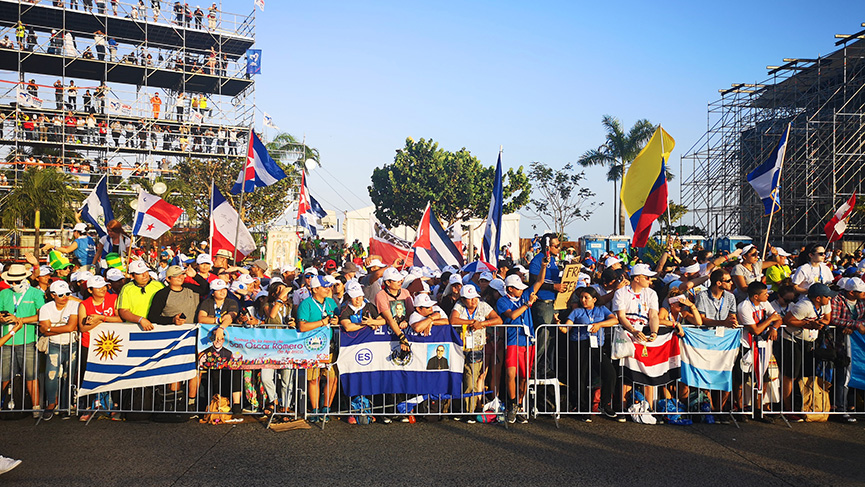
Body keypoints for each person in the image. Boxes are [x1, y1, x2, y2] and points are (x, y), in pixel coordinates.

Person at [612, 263, 662, 418]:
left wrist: (654, 332)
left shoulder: (652, 293)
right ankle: (622, 408)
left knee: (648, 371)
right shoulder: (621, 293)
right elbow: (621, 316)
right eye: (647, 277)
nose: (649, 280)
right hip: (626, 333)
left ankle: (649, 409)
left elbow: (654, 316)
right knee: (626, 372)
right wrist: (632, 330)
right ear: (637, 278)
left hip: (644, 333)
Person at [561, 286, 619, 421]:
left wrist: (600, 325)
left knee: (609, 373)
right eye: (581, 297)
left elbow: (614, 320)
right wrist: (562, 327)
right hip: (579, 344)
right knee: (581, 377)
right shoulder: (577, 312)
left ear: (594, 299)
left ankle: (604, 404)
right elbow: (568, 326)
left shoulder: (601, 309)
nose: (583, 300)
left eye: (586, 298)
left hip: (596, 345)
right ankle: (582, 408)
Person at [778, 282, 833, 422]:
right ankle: (788, 409)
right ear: (818, 298)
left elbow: (827, 319)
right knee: (790, 375)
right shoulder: (804, 306)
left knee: (806, 375)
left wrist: (819, 323)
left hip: (809, 342)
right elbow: (788, 320)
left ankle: (803, 405)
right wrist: (807, 324)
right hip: (792, 341)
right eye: (827, 296)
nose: (830, 299)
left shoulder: (825, 304)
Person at [497, 271, 545, 424]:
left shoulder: (525, 296)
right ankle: (512, 405)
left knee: (524, 376)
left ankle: (519, 405)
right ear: (510, 288)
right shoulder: (502, 301)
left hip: (528, 341)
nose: (521, 290)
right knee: (511, 373)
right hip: (513, 340)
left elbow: (539, 281)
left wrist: (543, 266)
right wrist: (527, 304)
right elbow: (512, 315)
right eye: (518, 288)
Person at [449, 285, 501, 420]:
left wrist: (483, 324)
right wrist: (472, 322)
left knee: (471, 378)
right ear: (463, 299)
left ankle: (469, 411)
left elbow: (498, 320)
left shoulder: (483, 305)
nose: (473, 301)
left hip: (477, 346)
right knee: (461, 378)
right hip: (460, 346)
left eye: (475, 298)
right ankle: (462, 408)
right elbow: (453, 320)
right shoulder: (459, 305)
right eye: (469, 299)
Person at [0, 264, 45, 417]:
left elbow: (41, 317)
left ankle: (36, 407)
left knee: (31, 376)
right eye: (11, 281)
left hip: (28, 341)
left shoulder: (36, 293)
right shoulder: (4, 293)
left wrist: (19, 320)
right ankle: (4, 405)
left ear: (24, 279)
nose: (13, 284)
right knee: (5, 376)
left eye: (17, 281)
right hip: (6, 342)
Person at [77, 275, 122, 421]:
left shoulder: (113, 298)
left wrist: (99, 318)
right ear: (90, 290)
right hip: (89, 344)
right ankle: (88, 407)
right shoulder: (84, 304)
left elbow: (120, 318)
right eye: (99, 287)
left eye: (104, 286)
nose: (103, 289)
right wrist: (98, 320)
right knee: (88, 375)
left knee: (113, 374)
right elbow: (83, 328)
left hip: (110, 344)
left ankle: (115, 406)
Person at [736, 281, 783, 422]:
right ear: (756, 296)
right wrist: (770, 320)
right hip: (746, 345)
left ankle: (758, 409)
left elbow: (778, 318)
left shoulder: (764, 303)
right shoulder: (744, 307)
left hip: (764, 346)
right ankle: (739, 409)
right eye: (764, 294)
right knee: (741, 379)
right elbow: (755, 329)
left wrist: (774, 328)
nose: (767, 295)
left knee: (763, 378)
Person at [297, 276, 339, 422]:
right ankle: (314, 409)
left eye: (328, 286)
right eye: (325, 287)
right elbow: (302, 326)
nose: (328, 289)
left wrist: (335, 320)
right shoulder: (306, 304)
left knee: (332, 378)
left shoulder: (331, 302)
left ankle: (326, 409)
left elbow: (337, 318)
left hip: (330, 346)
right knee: (313, 379)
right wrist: (323, 322)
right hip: (312, 347)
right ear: (315, 289)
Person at [37, 281, 79, 420]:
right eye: (61, 294)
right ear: (53, 295)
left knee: (68, 374)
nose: (65, 297)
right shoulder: (46, 308)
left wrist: (49, 328)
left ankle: (65, 405)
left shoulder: (75, 305)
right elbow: (46, 330)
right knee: (51, 374)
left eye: (68, 293)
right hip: (54, 345)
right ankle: (51, 404)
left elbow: (70, 327)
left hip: (71, 343)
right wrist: (62, 327)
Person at [828, 277, 865, 423]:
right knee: (842, 377)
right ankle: (839, 409)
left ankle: (850, 407)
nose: (864, 294)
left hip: (855, 346)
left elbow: (862, 320)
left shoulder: (861, 302)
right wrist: (854, 324)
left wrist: (853, 325)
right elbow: (834, 319)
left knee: (852, 375)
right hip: (838, 344)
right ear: (851, 292)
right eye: (861, 292)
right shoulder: (837, 300)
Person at [529, 233, 563, 379]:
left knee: (551, 337)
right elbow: (534, 281)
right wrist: (553, 287)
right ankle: (534, 366)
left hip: (554, 303)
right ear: (548, 246)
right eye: (556, 246)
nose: (559, 248)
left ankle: (546, 366)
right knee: (543, 336)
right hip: (543, 303)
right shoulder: (538, 260)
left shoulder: (554, 261)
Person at [117, 260, 164, 331]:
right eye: (140, 273)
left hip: (157, 327)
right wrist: (140, 320)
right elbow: (123, 311)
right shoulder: (127, 288)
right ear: (132, 276)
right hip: (134, 328)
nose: (144, 275)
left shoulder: (159, 285)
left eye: (146, 271)